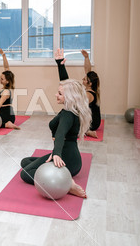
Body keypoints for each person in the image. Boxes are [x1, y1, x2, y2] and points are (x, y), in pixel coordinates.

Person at [19, 49, 92, 198]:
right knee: (25, 161)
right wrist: (60, 65)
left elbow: (60, 134)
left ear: (69, 97)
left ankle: (68, 184)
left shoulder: (67, 114)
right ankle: (65, 178)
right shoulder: (73, 107)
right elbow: (67, 86)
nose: (56, 94)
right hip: (72, 159)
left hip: (64, 160)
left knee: (25, 174)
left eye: (59, 94)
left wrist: (57, 153)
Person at [56, 49, 101, 138]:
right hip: (91, 119)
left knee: (71, 121)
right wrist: (86, 57)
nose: (82, 79)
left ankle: (87, 131)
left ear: (90, 83)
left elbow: (78, 106)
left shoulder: (89, 95)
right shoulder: (92, 88)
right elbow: (87, 70)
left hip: (93, 123)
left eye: (84, 79)